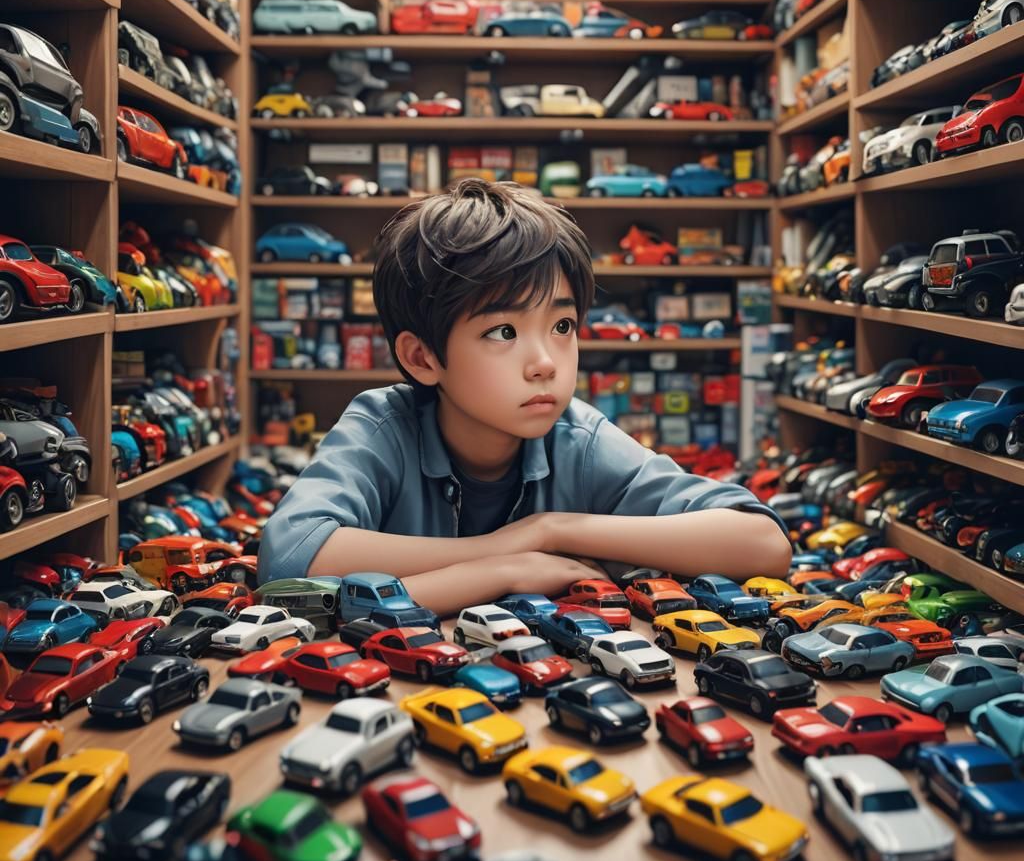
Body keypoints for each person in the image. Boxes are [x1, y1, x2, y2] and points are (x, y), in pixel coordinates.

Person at [257, 179, 790, 615]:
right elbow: (289, 561)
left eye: (562, 324)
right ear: (422, 358)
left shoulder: (577, 439)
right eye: (503, 332)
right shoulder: (382, 426)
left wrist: (551, 528)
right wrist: (504, 562)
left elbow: (762, 543)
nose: (546, 362)